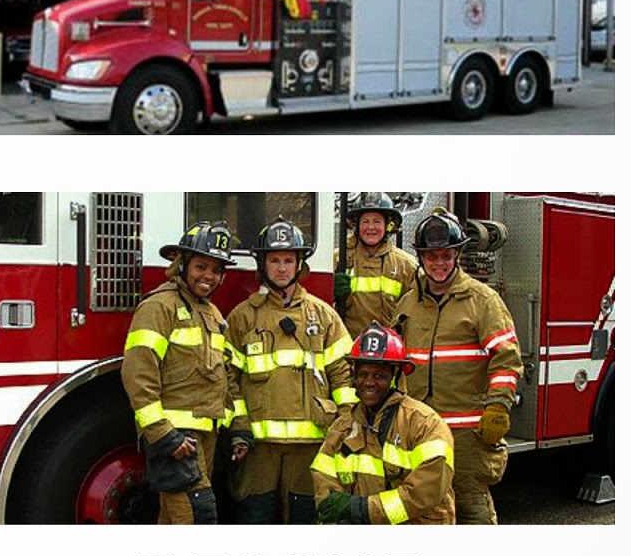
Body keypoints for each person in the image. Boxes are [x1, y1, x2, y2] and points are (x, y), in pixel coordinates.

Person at [394, 211, 522, 524]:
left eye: (446, 256)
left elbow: (506, 359)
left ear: (457, 255)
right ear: (421, 258)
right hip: (419, 427)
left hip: (466, 432)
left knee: (470, 507)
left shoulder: (483, 301)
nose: (439, 263)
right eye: (431, 256)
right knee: (423, 508)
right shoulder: (408, 303)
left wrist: (498, 407)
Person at [224, 219, 354, 525]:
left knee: (305, 521)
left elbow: (344, 375)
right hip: (258, 448)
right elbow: (228, 380)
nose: (281, 268)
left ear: (299, 265)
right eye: (274, 260)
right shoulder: (243, 318)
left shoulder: (324, 316)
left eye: (288, 260)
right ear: (262, 264)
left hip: (311, 445)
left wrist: (346, 427)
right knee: (254, 519)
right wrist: (239, 428)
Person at [120, 221, 238, 525]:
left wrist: (237, 429)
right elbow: (138, 373)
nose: (208, 276)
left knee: (174, 519)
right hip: (175, 438)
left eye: (216, 270)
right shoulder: (160, 306)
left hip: (204, 438)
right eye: (201, 266)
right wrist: (163, 435)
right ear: (182, 264)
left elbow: (225, 375)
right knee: (197, 516)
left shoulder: (211, 313)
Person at [311, 325, 456, 525]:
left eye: (379, 376)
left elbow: (424, 493)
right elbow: (324, 478)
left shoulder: (425, 424)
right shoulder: (342, 428)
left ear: (395, 377)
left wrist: (362, 509)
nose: (369, 382)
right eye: (363, 374)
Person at [336, 194, 417, 339]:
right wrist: (330, 291)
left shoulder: (406, 265)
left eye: (377, 222)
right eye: (365, 221)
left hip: (391, 347)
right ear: (356, 225)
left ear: (388, 226)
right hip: (349, 345)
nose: (371, 227)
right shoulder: (338, 259)